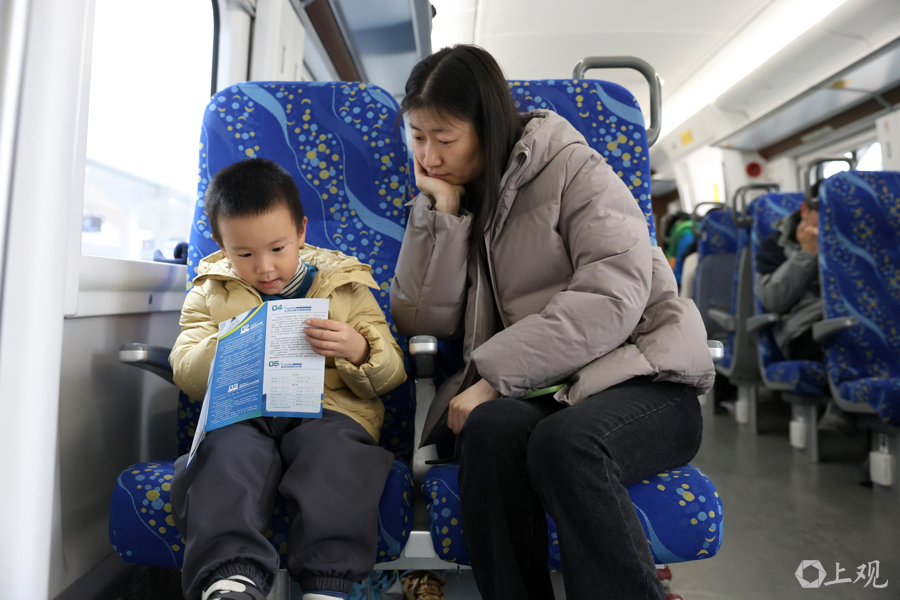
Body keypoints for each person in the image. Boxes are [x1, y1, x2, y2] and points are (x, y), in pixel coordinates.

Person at [390, 45, 715, 600]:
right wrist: (442, 214)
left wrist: (494, 377)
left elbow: (611, 299)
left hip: (645, 379)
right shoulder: (455, 197)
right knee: (488, 431)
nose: (428, 156)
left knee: (564, 444)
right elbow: (422, 317)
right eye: (417, 137)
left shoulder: (577, 171)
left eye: (444, 139)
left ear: (488, 127)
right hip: (548, 389)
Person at [169, 158, 407, 600]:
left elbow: (391, 370)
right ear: (221, 246)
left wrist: (358, 348)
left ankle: (327, 584)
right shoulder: (209, 290)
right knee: (224, 456)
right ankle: (231, 578)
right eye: (244, 254)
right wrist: (228, 346)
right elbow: (185, 368)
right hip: (244, 411)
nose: (265, 267)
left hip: (329, 409)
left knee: (336, 457)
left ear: (300, 231)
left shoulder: (343, 284)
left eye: (278, 248)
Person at [755, 194, 823, 361]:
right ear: (805, 210)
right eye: (824, 211)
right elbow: (773, 300)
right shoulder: (777, 244)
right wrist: (807, 254)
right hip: (807, 329)